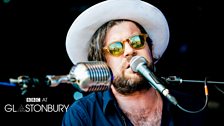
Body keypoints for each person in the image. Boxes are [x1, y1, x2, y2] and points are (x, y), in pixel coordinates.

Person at [62, 0, 206, 125]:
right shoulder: (83, 115)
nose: (129, 50)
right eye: (116, 48)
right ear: (102, 62)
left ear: (150, 49)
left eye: (137, 41)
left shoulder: (190, 107)